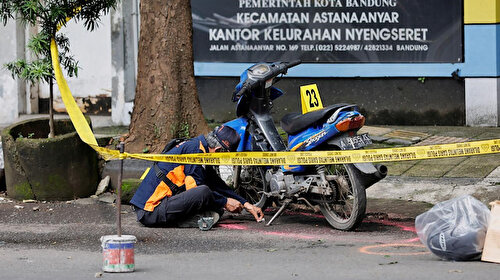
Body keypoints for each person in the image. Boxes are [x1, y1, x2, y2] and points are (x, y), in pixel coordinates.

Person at [130, 125, 264, 228]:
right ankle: (185, 221)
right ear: (218, 150)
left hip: (156, 206)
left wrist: (247, 204)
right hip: (150, 212)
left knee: (215, 204)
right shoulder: (195, 152)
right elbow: (197, 190)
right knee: (205, 193)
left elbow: (216, 184)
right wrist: (225, 202)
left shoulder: (201, 148)